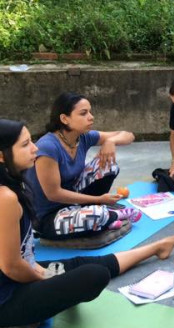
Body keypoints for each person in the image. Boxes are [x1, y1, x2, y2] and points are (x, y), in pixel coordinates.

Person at [0, 118, 174, 327]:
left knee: (82, 264)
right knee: (94, 275)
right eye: (25, 144)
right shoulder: (6, 197)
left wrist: (43, 272)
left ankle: (157, 247)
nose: (34, 148)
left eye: (31, 141)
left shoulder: (15, 182)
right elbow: (11, 267)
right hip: (7, 297)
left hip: (20, 273)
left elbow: (22, 260)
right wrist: (47, 278)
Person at [25, 92, 142, 240]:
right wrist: (99, 199)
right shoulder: (48, 147)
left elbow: (128, 135)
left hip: (73, 201)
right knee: (96, 215)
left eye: (90, 112)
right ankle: (110, 216)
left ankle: (101, 218)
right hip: (48, 217)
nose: (91, 117)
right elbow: (54, 194)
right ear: (64, 119)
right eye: (83, 113)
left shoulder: (82, 137)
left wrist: (110, 141)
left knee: (109, 165)